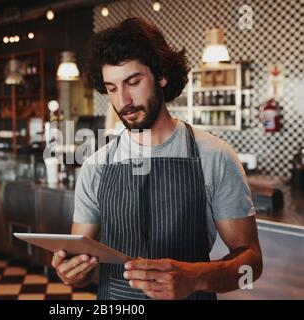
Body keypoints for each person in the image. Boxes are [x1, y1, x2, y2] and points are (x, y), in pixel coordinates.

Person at [51, 17, 262, 300]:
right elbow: (81, 262)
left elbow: (252, 264)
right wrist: (72, 274)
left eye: (133, 82)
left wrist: (196, 278)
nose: (123, 101)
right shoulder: (95, 166)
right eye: (112, 88)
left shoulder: (215, 156)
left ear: (161, 76)